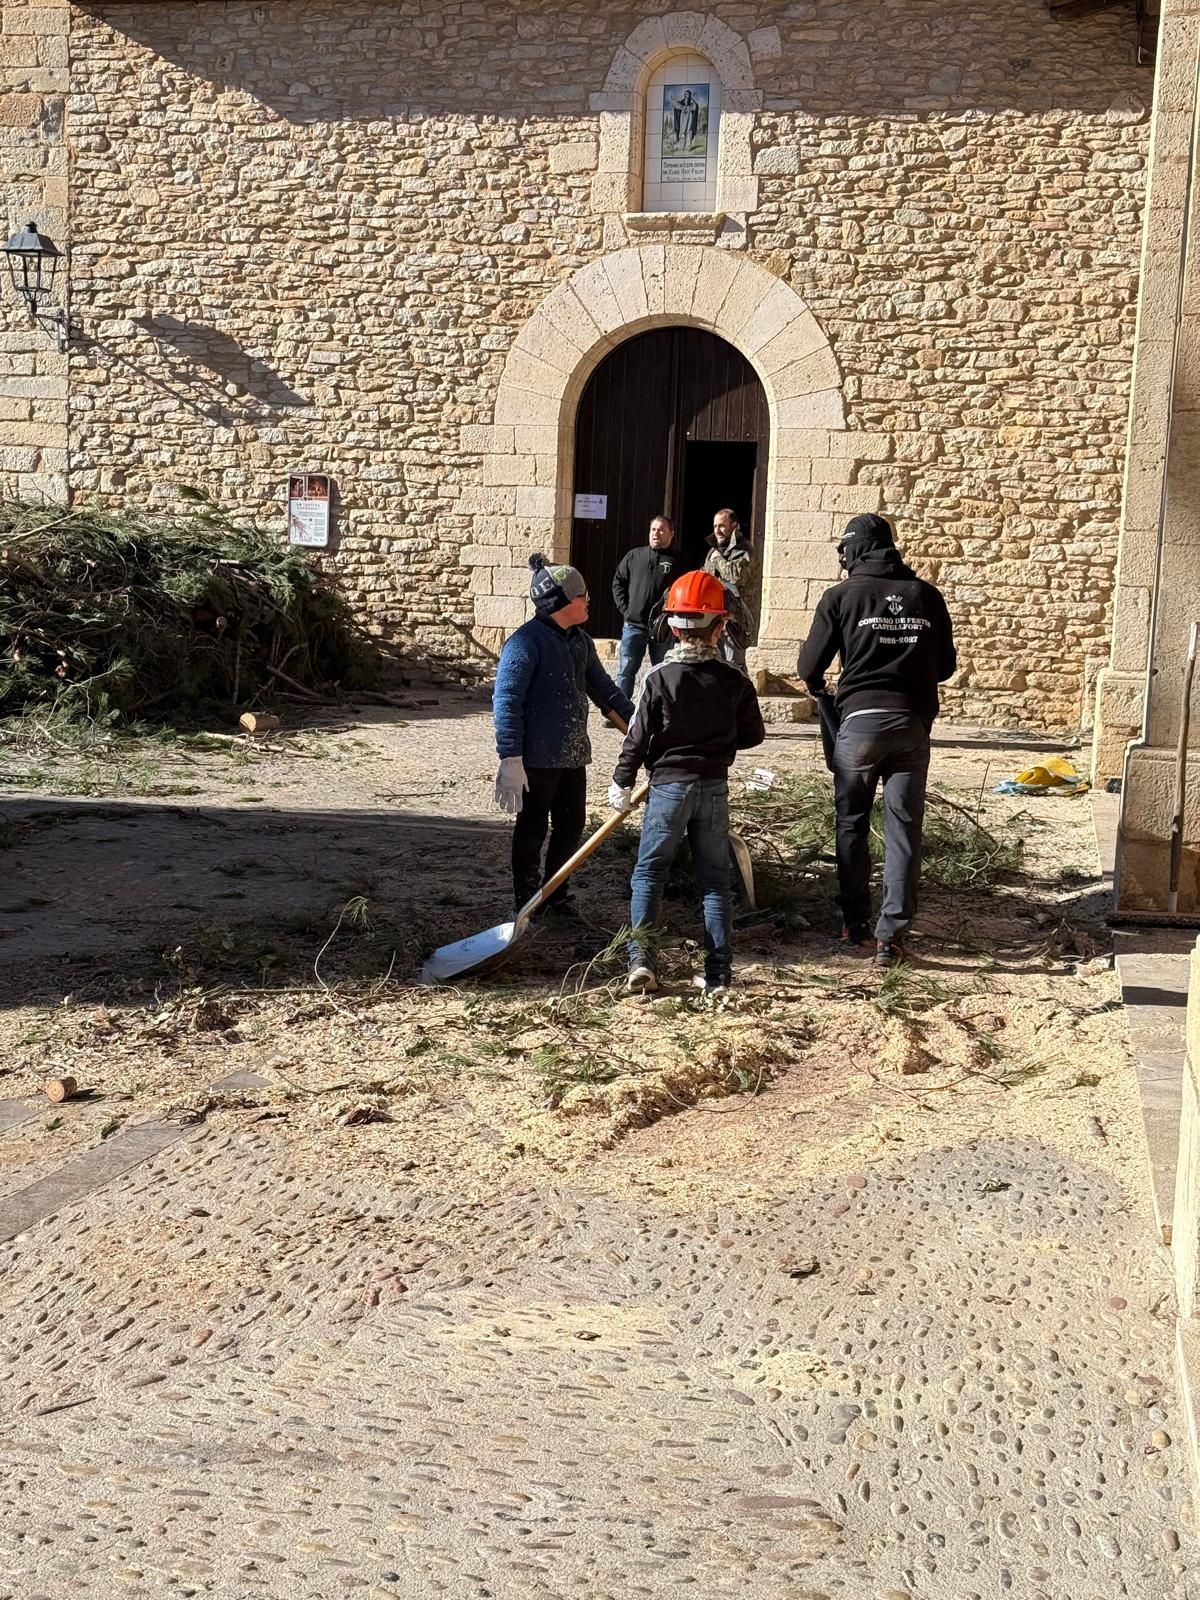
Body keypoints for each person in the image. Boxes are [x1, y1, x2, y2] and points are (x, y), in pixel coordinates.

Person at [795, 513, 956, 968]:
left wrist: (838, 684)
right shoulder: (925, 595)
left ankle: (854, 922)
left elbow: (809, 668)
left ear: (855, 550)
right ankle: (893, 937)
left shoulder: (841, 596)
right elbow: (944, 667)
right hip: (911, 725)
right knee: (903, 829)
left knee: (851, 823)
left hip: (859, 727)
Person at [609, 569, 765, 997]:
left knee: (648, 875)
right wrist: (718, 740)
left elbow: (637, 737)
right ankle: (718, 976)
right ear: (721, 625)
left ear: (673, 626)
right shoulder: (734, 680)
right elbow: (754, 735)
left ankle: (641, 962)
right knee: (714, 881)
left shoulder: (659, 677)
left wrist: (622, 781)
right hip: (712, 788)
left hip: (668, 790)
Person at [493, 554, 634, 914]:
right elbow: (507, 701)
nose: (588, 601)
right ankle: (526, 898)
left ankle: (555, 892)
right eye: (583, 595)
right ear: (561, 602)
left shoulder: (580, 642)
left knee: (571, 826)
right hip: (536, 761)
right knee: (533, 828)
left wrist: (638, 726)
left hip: (572, 757)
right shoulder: (525, 644)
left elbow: (605, 691)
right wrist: (510, 757)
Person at [611, 514, 680, 701]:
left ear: (671, 533)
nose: (656, 533)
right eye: (653, 530)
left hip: (663, 629)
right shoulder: (634, 556)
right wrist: (626, 609)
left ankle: (660, 709)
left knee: (662, 671)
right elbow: (618, 582)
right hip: (634, 625)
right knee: (626, 670)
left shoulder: (679, 561)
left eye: (661, 530)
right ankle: (620, 709)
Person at [702, 508, 756, 673]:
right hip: (712, 619)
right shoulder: (712, 551)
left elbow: (736, 576)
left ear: (734, 526)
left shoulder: (745, 551)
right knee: (713, 666)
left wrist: (718, 559)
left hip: (734, 621)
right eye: (715, 526)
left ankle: (740, 699)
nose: (717, 530)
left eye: (722, 526)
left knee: (734, 668)